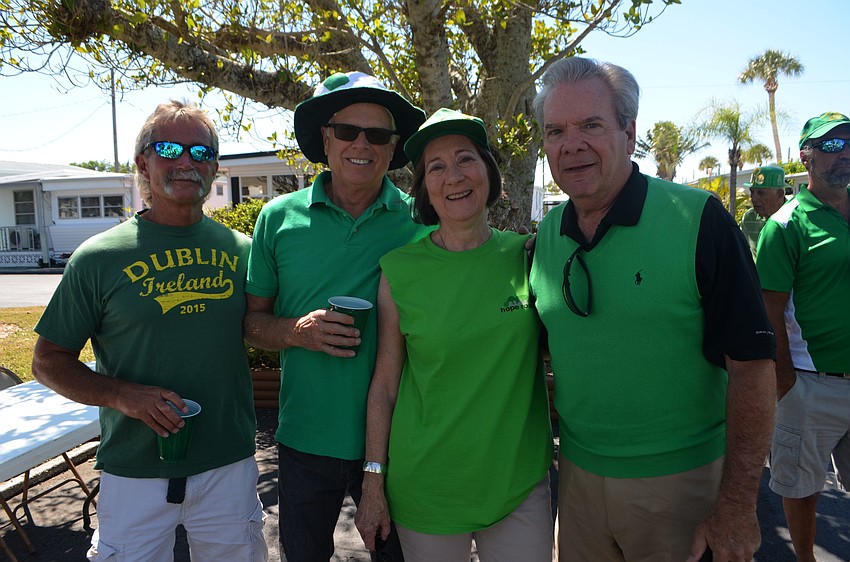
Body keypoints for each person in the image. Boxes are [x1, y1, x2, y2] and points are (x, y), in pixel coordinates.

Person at [529, 56, 776, 562]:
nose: (571, 144)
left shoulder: (699, 221)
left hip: (682, 489)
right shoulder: (545, 238)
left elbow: (752, 369)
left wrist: (736, 505)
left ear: (629, 132)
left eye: (591, 125)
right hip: (574, 485)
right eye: (555, 131)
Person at [31, 100, 267, 561]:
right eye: (168, 148)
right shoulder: (99, 258)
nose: (185, 162)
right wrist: (123, 395)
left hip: (228, 465)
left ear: (215, 167)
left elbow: (264, 328)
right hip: (134, 469)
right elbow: (47, 361)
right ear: (143, 162)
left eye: (200, 153)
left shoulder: (245, 252)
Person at [354, 108, 554, 561]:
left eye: (466, 159)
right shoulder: (399, 271)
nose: (454, 176)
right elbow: (385, 385)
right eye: (436, 167)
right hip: (427, 490)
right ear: (424, 188)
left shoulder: (528, 256)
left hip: (518, 484)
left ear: (488, 171)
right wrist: (373, 483)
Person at [243, 71, 427, 561]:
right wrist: (297, 332)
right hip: (304, 439)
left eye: (378, 135)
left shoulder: (422, 223)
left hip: (399, 442)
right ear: (326, 139)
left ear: (393, 149)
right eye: (347, 131)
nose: (361, 144)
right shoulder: (278, 218)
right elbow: (251, 323)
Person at [756, 112, 850, 562]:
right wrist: (786, 382)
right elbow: (769, 310)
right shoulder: (786, 225)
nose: (845, 153)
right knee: (803, 486)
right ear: (805, 157)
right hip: (811, 383)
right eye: (831, 146)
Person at [739, 165, 789, 256]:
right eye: (752, 192)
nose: (753, 198)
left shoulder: (795, 217)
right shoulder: (749, 218)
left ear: (780, 194)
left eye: (761, 193)